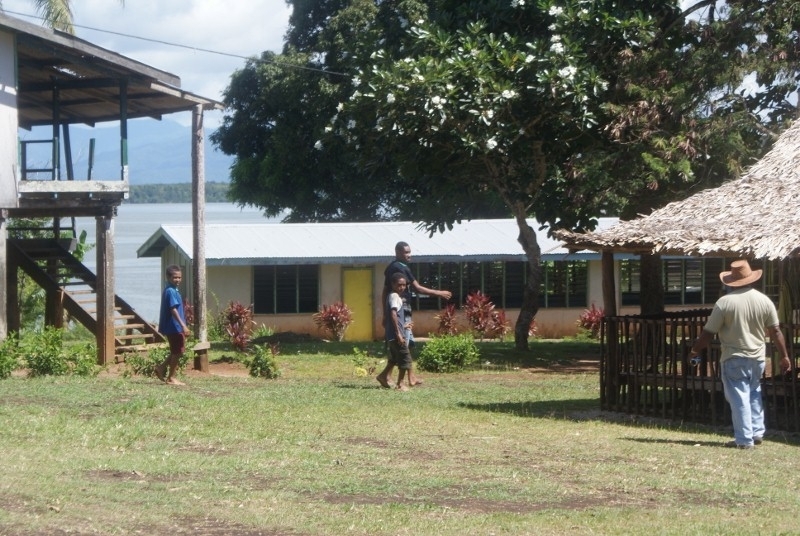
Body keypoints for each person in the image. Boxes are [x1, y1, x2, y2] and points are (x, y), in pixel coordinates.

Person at [689, 259, 791, 449]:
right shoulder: (764, 300)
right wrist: (784, 356)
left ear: (731, 282)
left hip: (733, 357)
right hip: (758, 357)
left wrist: (695, 350)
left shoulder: (724, 303)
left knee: (739, 397)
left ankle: (744, 439)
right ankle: (756, 431)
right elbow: (776, 331)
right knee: (754, 393)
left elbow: (708, 333)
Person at [376, 241, 452, 388]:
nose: (409, 255)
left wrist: (385, 313)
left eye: (410, 252)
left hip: (402, 309)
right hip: (402, 309)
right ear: (397, 252)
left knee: (407, 344)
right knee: (404, 344)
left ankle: (402, 376)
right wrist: (439, 293)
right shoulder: (400, 268)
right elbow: (417, 288)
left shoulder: (392, 267)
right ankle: (399, 380)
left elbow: (385, 290)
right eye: (406, 252)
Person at [155, 264, 191, 386]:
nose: (178, 280)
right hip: (174, 326)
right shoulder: (170, 291)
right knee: (178, 351)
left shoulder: (172, 290)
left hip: (174, 326)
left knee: (177, 350)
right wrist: (183, 325)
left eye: (179, 277)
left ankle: (161, 368)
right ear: (168, 277)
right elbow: (173, 309)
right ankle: (171, 378)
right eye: (175, 277)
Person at [384, 273, 415, 390]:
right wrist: (398, 333)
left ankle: (383, 377)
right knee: (405, 358)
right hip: (396, 335)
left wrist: (404, 326)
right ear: (392, 284)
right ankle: (400, 384)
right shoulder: (395, 296)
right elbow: (393, 314)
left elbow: (395, 317)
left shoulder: (393, 296)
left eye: (404, 285)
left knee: (394, 358)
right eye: (399, 285)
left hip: (394, 334)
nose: (402, 287)